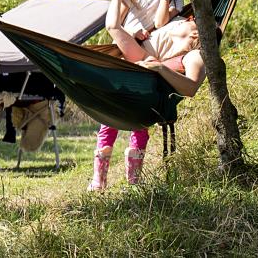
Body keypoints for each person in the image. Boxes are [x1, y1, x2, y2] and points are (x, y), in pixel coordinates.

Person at [90, 0, 186, 191]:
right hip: (125, 47)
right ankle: (99, 179)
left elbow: (162, 23)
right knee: (112, 110)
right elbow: (118, 21)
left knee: (140, 111)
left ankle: (134, 179)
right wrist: (134, 31)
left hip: (148, 53)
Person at [88, 16, 207, 191]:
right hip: (135, 93)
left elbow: (191, 88)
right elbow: (113, 26)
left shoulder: (195, 55)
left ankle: (127, 182)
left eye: (185, 23)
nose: (174, 30)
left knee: (125, 123)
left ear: (194, 36)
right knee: (111, 122)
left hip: (145, 100)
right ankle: (103, 181)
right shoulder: (169, 54)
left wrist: (159, 67)